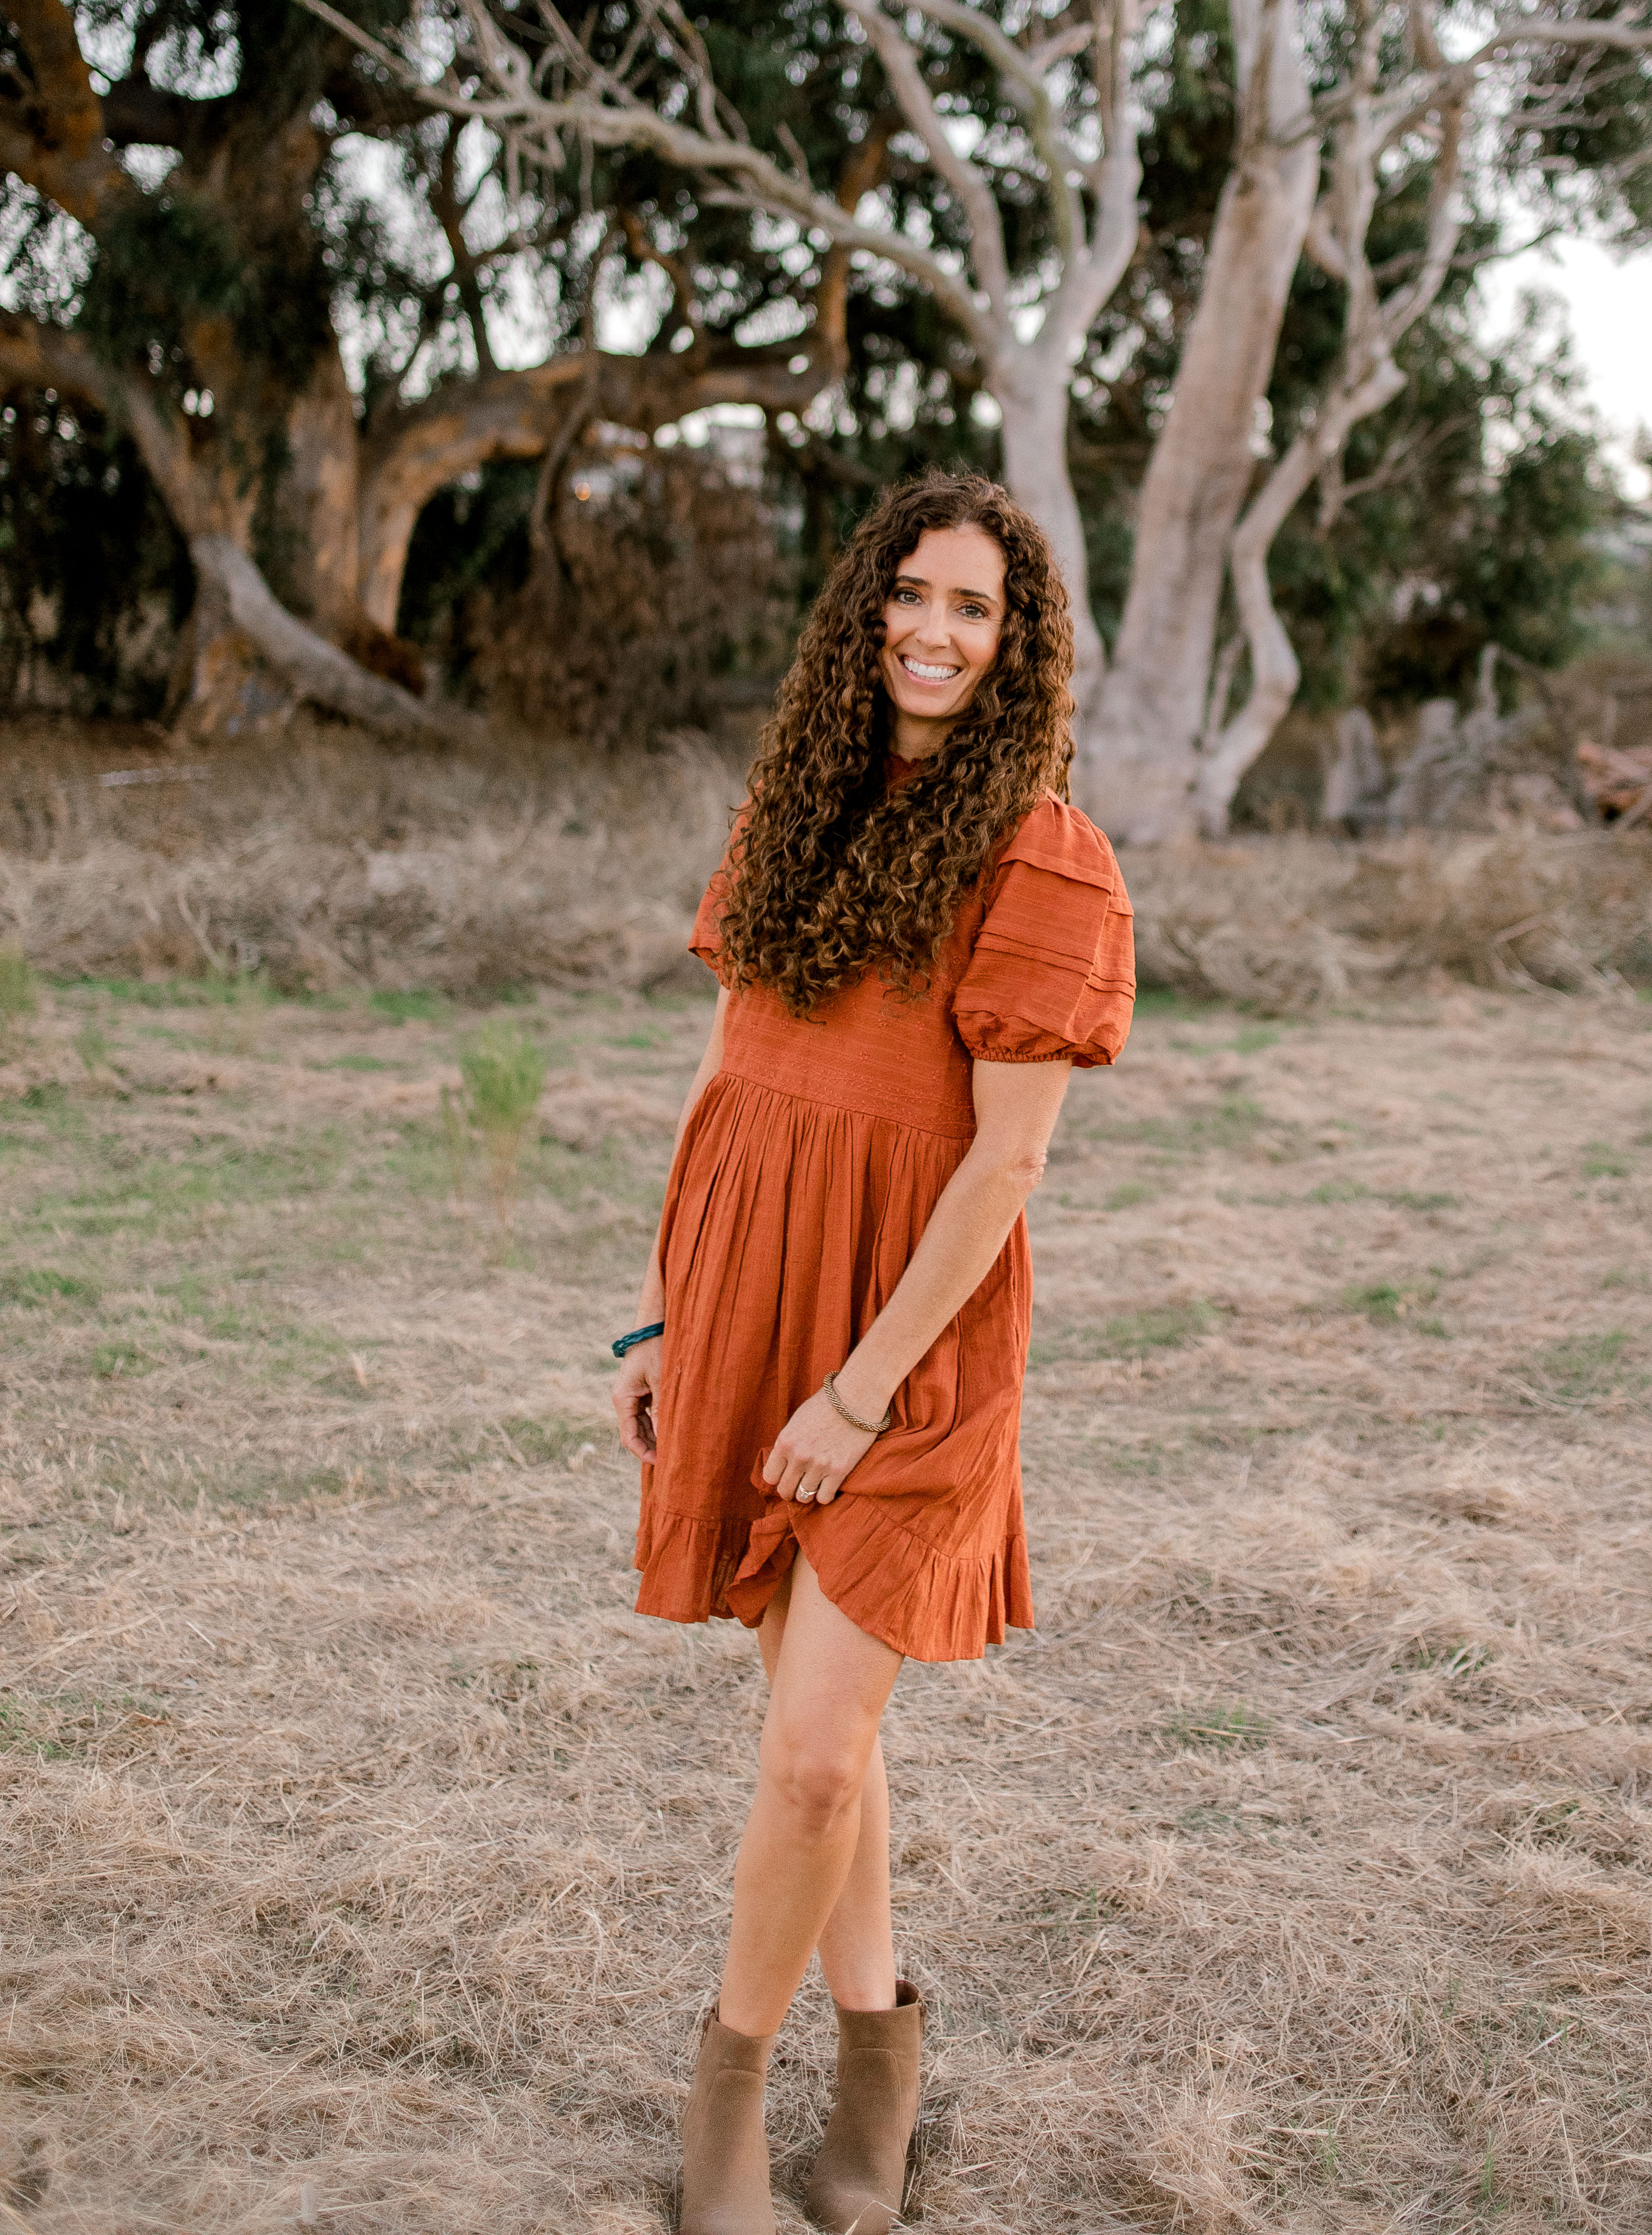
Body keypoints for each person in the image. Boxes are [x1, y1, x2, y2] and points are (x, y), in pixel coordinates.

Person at [610, 470, 1134, 2235]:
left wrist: (853, 1391)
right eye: (912, 594)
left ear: (1018, 646)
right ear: (867, 613)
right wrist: (666, 1312)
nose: (934, 629)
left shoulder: (1044, 854)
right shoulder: (795, 808)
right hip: (750, 1297)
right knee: (814, 1732)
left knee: (823, 1750)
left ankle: (719, 2134)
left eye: (975, 608)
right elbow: (728, 1077)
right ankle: (878, 2068)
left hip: (906, 1341)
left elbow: (1005, 1161)